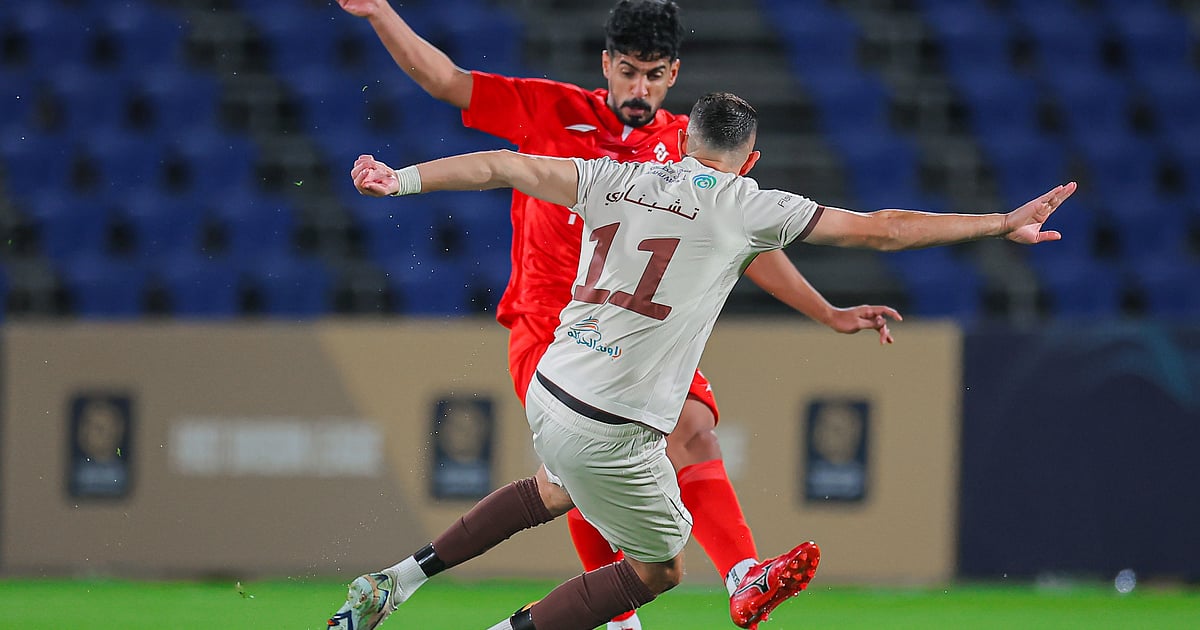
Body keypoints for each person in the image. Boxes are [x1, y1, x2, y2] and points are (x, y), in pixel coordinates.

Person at [327, 91, 1077, 630]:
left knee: (554, 489)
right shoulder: (748, 205)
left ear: (684, 140)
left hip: (552, 384)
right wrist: (999, 222)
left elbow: (501, 165)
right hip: (613, 425)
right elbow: (882, 228)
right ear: (751, 159)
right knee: (661, 568)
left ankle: (395, 581)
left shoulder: (615, 175)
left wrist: (402, 179)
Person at [335, 1, 899, 626]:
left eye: (653, 75)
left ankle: (740, 576)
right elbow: (446, 81)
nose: (639, 89)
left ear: (673, 74)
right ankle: (613, 616)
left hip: (637, 327)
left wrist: (826, 312)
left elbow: (747, 244)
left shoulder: (686, 147)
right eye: (628, 71)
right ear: (605, 65)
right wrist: (380, 12)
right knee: (576, 479)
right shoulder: (549, 107)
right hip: (550, 323)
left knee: (682, 434)